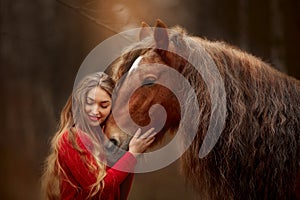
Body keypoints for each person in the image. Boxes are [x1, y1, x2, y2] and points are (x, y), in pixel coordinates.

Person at [41, 72, 156, 199]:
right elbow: (99, 189)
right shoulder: (69, 138)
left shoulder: (109, 139)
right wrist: (132, 154)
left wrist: (128, 150)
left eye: (104, 105)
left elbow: (119, 194)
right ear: (80, 102)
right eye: (90, 103)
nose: (95, 111)